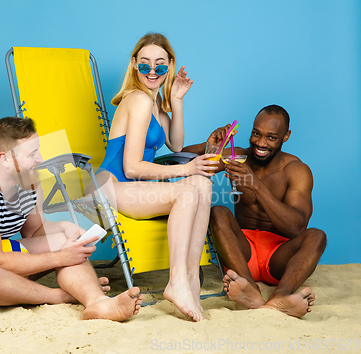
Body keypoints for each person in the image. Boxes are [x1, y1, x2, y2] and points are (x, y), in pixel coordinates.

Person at [0, 116, 143, 321]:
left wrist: (64, 228)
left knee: (65, 239)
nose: (40, 159)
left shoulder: (29, 181)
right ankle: (61, 296)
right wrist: (59, 258)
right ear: (4, 159)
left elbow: (33, 232)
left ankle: (96, 303)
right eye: (32, 154)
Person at [92, 33, 219, 321]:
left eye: (160, 66)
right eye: (146, 64)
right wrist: (186, 169)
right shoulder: (137, 99)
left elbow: (175, 144)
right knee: (188, 188)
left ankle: (190, 280)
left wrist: (175, 99)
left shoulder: (156, 105)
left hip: (136, 189)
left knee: (202, 183)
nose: (152, 71)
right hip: (111, 186)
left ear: (170, 66)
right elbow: (133, 167)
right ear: (134, 65)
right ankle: (176, 281)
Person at [183, 104, 327, 318]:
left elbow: (296, 227)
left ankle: (281, 296)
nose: (261, 143)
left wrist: (256, 185)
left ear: (285, 136)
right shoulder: (238, 157)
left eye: (271, 137)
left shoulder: (297, 170)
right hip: (242, 253)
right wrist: (211, 144)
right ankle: (250, 288)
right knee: (218, 211)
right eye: (256, 134)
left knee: (317, 236)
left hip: (278, 256)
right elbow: (184, 158)